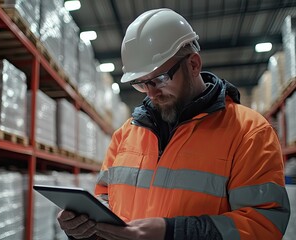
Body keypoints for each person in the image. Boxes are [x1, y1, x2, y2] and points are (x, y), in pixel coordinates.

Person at [57, 8, 290, 239]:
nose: (151, 93)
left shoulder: (249, 132)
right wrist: (86, 228)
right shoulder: (125, 135)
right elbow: (106, 200)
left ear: (194, 64)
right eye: (141, 84)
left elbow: (264, 225)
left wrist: (171, 233)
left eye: (159, 79)